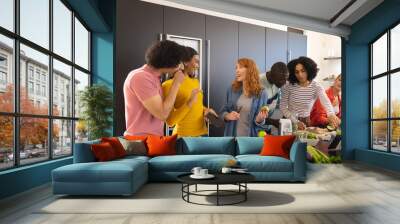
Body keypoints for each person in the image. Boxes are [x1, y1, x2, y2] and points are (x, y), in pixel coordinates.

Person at [123, 40, 186, 136]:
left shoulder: (155, 78)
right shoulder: (141, 77)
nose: (181, 66)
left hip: (152, 139)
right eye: (179, 62)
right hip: (140, 142)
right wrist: (176, 83)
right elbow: (163, 114)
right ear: (168, 62)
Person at [162, 47, 218, 137]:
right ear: (185, 62)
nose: (198, 65)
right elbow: (170, 121)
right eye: (196, 61)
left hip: (203, 134)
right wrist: (189, 103)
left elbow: (196, 105)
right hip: (184, 137)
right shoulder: (168, 85)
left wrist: (206, 110)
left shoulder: (195, 81)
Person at [280, 56, 340, 130]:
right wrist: (295, 121)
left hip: (306, 121)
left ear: (309, 70)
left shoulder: (316, 86)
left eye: (303, 71)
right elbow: (282, 107)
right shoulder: (288, 86)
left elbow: (326, 102)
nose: (300, 75)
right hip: (289, 121)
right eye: (297, 72)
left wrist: (331, 114)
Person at [221, 58, 269, 137]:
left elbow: (260, 123)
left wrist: (259, 120)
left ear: (250, 70)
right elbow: (223, 111)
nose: (237, 70)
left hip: (250, 140)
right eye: (236, 68)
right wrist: (228, 116)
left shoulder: (262, 93)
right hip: (231, 138)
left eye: (240, 67)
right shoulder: (231, 89)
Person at [259, 62, 289, 129]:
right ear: (272, 76)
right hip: (256, 128)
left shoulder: (278, 82)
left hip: (267, 126)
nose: (284, 83)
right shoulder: (257, 83)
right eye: (281, 80)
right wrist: (273, 122)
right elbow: (252, 114)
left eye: (286, 79)